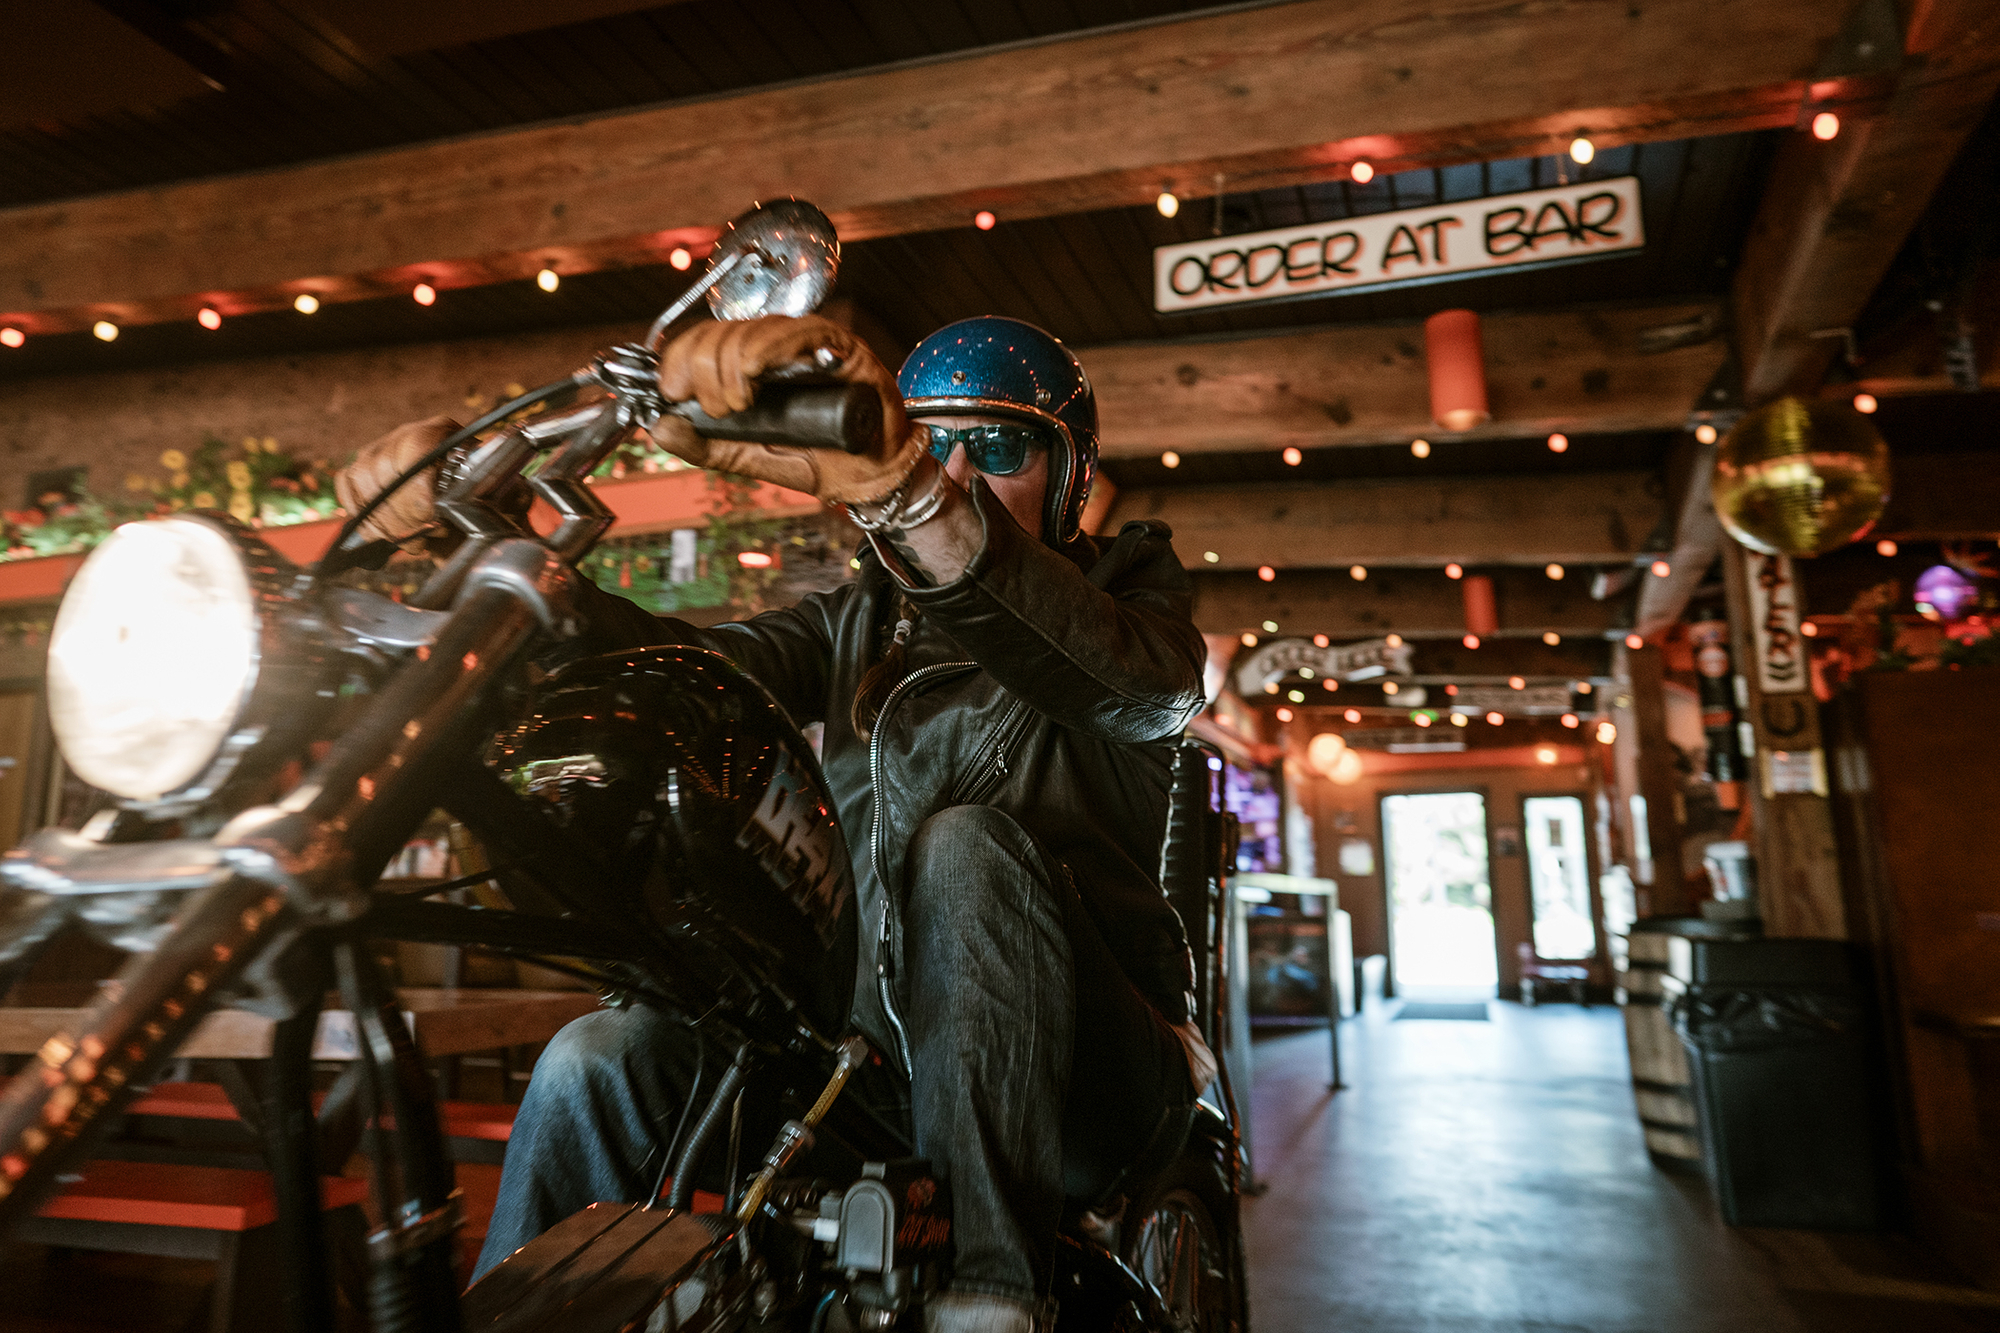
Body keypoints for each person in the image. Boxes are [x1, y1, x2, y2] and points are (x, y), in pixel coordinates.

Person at [339, 314, 1216, 1333]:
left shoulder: (1127, 597)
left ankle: (994, 1299)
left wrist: (911, 495)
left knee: (964, 844)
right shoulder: (857, 620)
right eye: (931, 443)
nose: (960, 470)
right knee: (595, 1058)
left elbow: (1140, 687)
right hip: (864, 1067)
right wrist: (484, 544)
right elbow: (681, 672)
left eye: (1000, 446)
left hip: (1083, 1073)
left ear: (1066, 477)